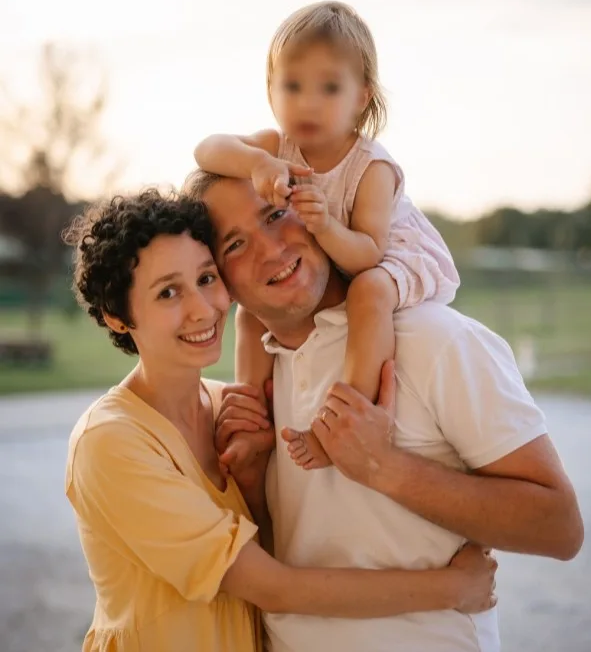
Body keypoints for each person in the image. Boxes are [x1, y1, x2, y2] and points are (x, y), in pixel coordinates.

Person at [62, 189, 497, 652]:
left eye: (206, 278)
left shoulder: (230, 408)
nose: (203, 308)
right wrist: (452, 589)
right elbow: (271, 587)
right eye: (168, 292)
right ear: (118, 317)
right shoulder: (111, 440)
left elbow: (272, 550)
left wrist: (253, 480)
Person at [183, 169, 584, 652]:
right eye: (234, 244)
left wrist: (385, 468)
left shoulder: (435, 340)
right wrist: (252, 480)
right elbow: (281, 567)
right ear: (220, 282)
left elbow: (560, 527)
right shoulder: (260, 381)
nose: (270, 248)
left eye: (276, 214)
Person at [194, 0, 460, 469]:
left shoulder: (371, 168)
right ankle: (250, 420)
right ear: (271, 91)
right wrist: (256, 163)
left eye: (329, 88)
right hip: (336, 248)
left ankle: (344, 424)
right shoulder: (278, 145)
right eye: (292, 86)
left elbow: (367, 254)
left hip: (387, 255)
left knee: (368, 293)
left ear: (362, 97)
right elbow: (206, 150)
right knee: (252, 315)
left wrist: (325, 226)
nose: (308, 103)